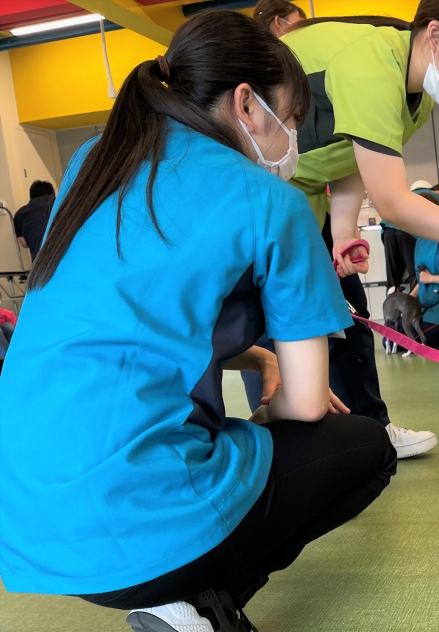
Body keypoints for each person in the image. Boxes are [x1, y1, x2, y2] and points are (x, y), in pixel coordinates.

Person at [0, 12, 396, 632]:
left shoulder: (91, 164)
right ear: (246, 102)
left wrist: (258, 357)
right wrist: (269, 420)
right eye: (289, 120)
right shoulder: (271, 201)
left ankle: (176, 601)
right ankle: (202, 606)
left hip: (27, 516)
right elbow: (308, 406)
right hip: (138, 515)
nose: (291, 139)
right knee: (370, 447)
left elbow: (135, 318)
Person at [264, 0, 439, 458]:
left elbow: (349, 157)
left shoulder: (417, 97)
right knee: (270, 331)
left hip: (299, 195)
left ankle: (370, 433)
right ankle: (274, 450)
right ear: (435, 35)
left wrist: (341, 232)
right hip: (256, 192)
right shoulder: (374, 63)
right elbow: (395, 203)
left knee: (349, 316)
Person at [387, 191, 439, 350]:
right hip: (424, 309)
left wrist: (431, 278)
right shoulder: (420, 242)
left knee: (407, 342)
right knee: (390, 337)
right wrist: (405, 302)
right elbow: (422, 279)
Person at [382, 180, 439, 293]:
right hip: (407, 232)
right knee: (415, 276)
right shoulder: (432, 197)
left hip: (387, 231)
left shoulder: (407, 194)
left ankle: (391, 307)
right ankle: (415, 308)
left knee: (392, 280)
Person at [13, 180, 55, 262]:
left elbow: (24, 243)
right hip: (69, 260)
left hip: (40, 264)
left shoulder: (20, 214)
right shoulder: (60, 204)